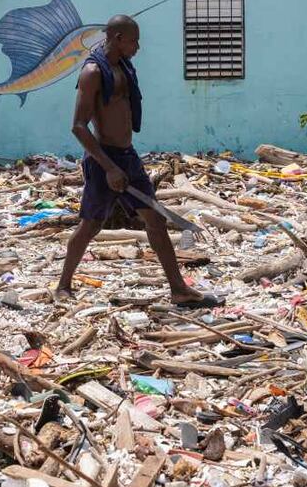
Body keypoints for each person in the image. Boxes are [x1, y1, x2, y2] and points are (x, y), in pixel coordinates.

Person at [55, 15, 218, 308]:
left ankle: (179, 289)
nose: (138, 47)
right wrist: (109, 167)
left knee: (155, 219)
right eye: (134, 41)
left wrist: (121, 163)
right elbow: (78, 126)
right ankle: (63, 286)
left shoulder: (124, 66)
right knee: (91, 225)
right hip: (103, 160)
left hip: (127, 156)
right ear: (117, 38)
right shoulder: (92, 72)